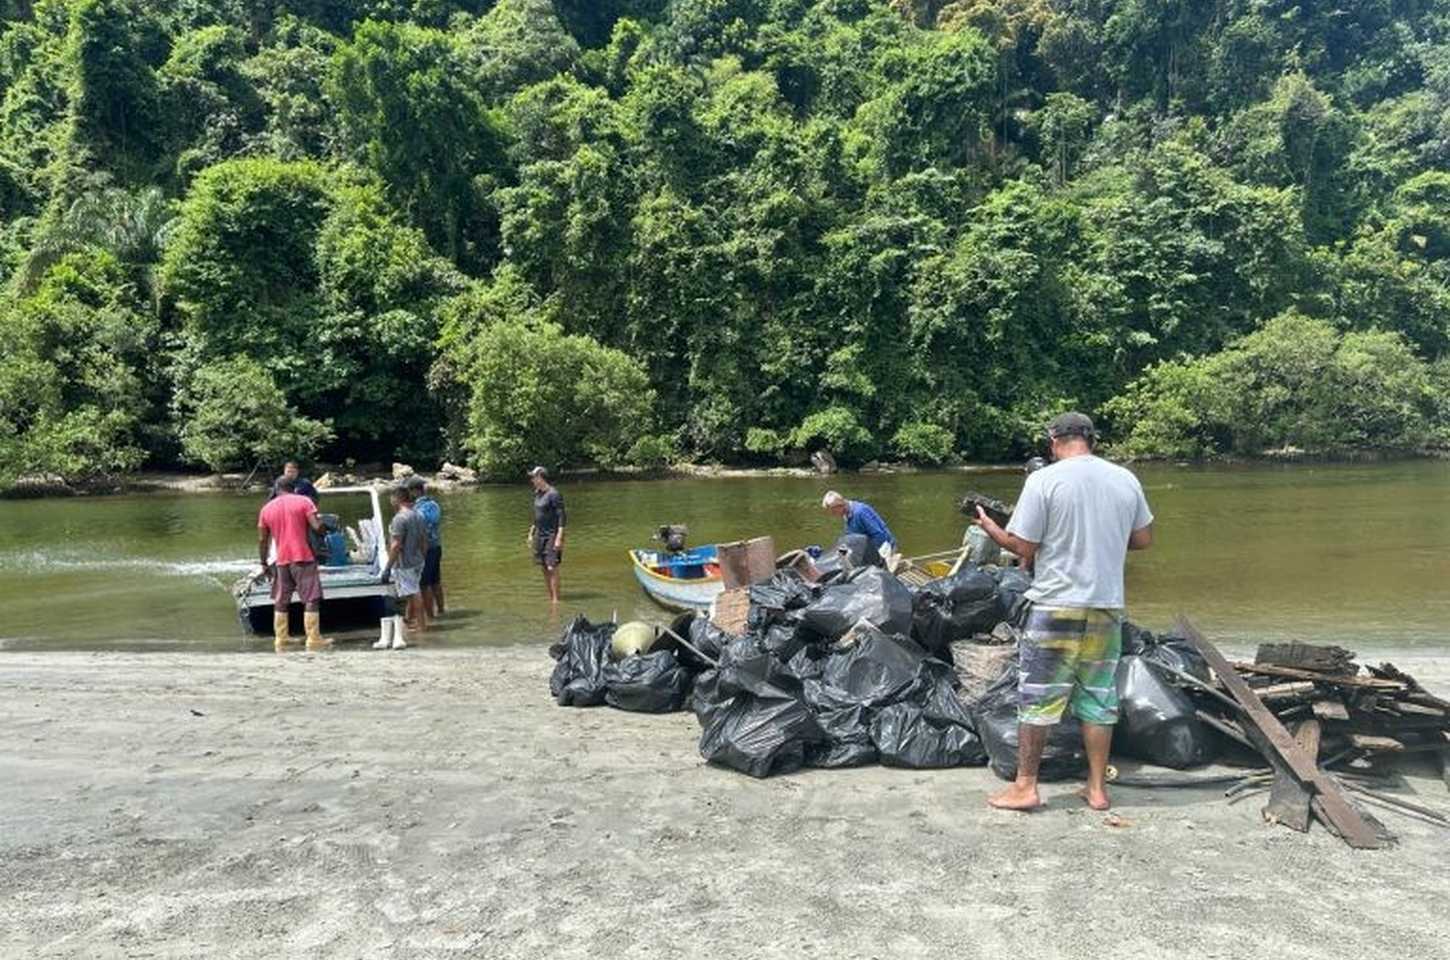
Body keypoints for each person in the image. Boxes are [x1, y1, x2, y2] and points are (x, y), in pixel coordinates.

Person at [972, 412, 1153, 813]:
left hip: (1056, 605)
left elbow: (1022, 547)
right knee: (1098, 699)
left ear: (1053, 441)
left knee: (1038, 698)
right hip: (1106, 607)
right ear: (1092, 440)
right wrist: (1103, 536)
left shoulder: (1044, 480)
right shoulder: (1125, 479)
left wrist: (989, 527)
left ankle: (1025, 787)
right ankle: (1097, 790)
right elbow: (1142, 539)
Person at [257, 475, 330, 651]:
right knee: (311, 598)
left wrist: (264, 563)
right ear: (294, 488)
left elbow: (262, 540)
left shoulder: (266, 509)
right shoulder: (304, 501)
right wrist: (324, 526)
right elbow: (316, 527)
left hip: (281, 560)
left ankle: (281, 638)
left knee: (281, 599)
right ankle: (313, 638)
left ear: (276, 489)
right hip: (303, 557)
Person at [382, 484, 429, 644]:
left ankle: (421, 626)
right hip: (418, 560)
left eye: (391, 498)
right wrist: (422, 557)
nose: (390, 502)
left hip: (405, 563)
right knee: (412, 592)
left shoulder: (399, 519)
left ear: (397, 499)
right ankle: (415, 623)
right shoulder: (418, 515)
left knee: (414, 593)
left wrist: (387, 568)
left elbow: (396, 545)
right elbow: (424, 540)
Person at [821, 491, 897, 566]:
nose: (833, 515)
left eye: (834, 512)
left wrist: (871, 555)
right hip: (866, 546)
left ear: (840, 506)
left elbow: (879, 535)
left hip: (884, 548)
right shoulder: (846, 513)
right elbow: (850, 536)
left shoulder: (860, 512)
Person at [527, 466, 565, 604]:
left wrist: (559, 537)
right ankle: (551, 597)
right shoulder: (537, 493)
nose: (532, 480)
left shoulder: (554, 494)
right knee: (543, 567)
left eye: (534, 477)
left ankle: (556, 600)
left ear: (541, 478)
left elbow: (562, 517)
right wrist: (531, 533)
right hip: (540, 534)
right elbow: (537, 516)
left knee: (551, 567)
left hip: (552, 535)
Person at [410, 476, 446, 619]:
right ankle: (441, 610)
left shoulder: (417, 509)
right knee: (436, 581)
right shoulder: (434, 504)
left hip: (424, 549)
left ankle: (430, 616)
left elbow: (418, 528)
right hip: (436, 546)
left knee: (424, 584)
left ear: (415, 491)